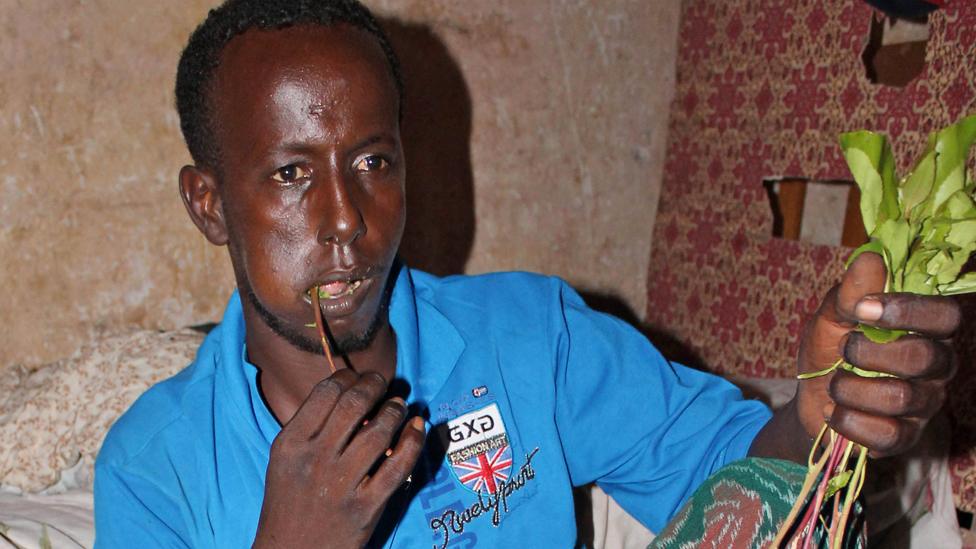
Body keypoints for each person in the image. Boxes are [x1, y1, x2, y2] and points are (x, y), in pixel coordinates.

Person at [93, 0, 960, 547]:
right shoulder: (155, 465)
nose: (346, 220)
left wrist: (818, 415)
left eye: (373, 162)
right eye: (290, 174)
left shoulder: (527, 338)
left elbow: (726, 478)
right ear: (208, 205)